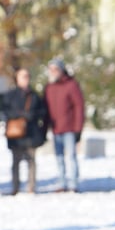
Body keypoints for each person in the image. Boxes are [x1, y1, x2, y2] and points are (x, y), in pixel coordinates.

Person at [2, 68, 47, 195]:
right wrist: (20, 114)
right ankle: (15, 187)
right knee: (15, 162)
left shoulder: (34, 95)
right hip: (16, 133)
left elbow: (42, 112)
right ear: (17, 78)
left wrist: (31, 115)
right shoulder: (11, 95)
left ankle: (31, 187)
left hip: (31, 133)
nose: (25, 79)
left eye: (27, 76)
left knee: (31, 161)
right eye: (23, 76)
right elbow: (6, 110)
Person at [44, 57, 85, 193]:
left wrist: (78, 129)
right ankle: (61, 182)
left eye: (56, 69)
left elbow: (79, 107)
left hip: (69, 128)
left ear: (62, 70)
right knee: (59, 157)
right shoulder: (49, 87)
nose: (53, 72)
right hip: (56, 129)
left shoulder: (71, 85)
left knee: (71, 156)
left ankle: (73, 183)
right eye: (51, 69)